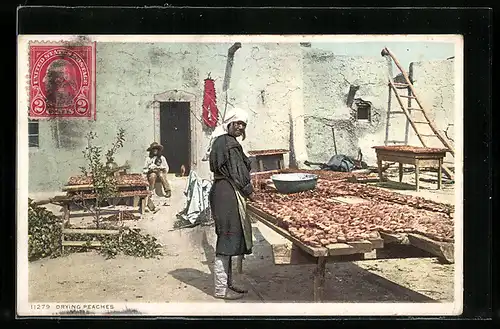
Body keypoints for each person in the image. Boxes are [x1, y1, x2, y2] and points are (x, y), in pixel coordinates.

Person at [208, 108, 256, 300]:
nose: (240, 127)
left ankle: (227, 282)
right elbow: (238, 173)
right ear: (229, 124)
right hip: (227, 193)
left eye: (243, 124)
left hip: (222, 190)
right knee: (227, 238)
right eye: (237, 123)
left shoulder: (221, 141)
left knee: (228, 236)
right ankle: (221, 289)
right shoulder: (229, 144)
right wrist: (251, 193)